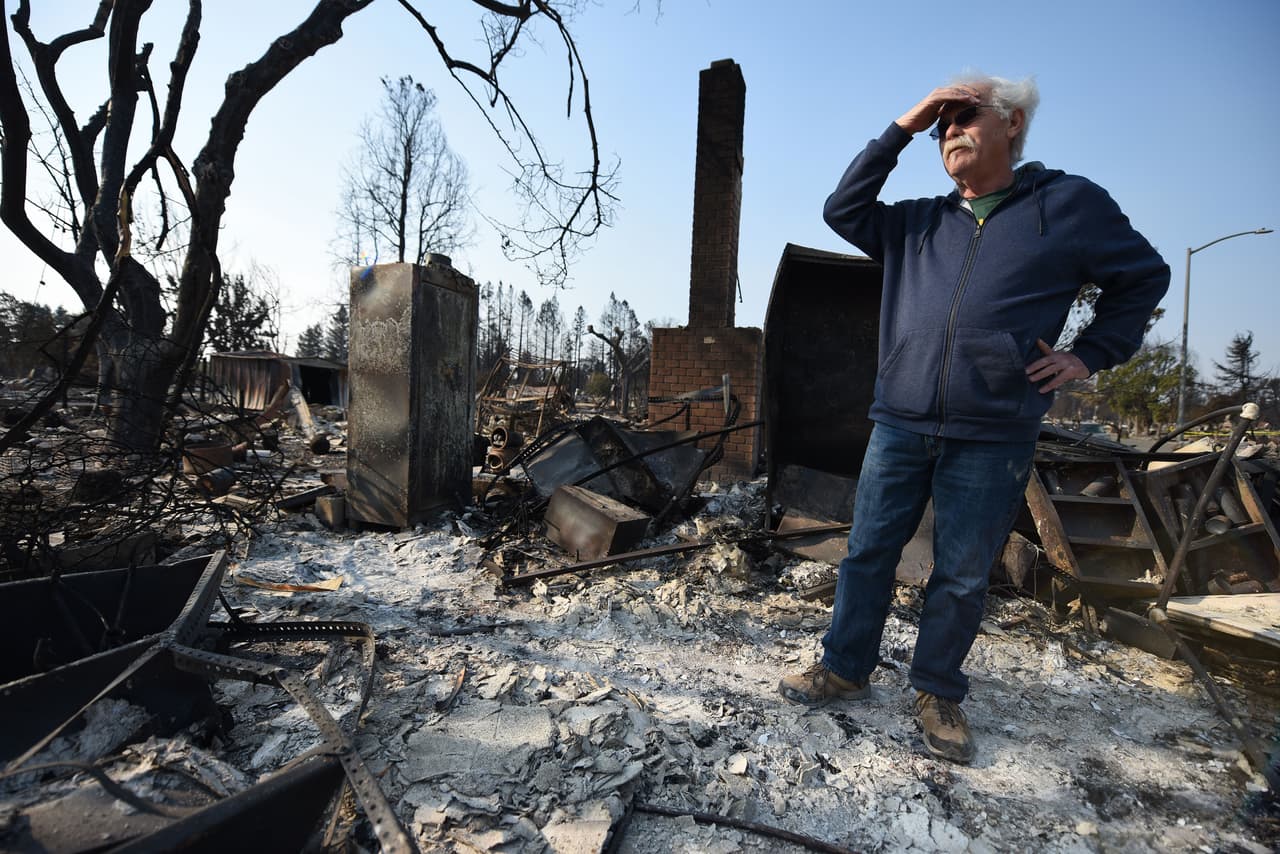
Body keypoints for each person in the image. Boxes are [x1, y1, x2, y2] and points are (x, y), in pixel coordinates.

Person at [778, 73, 1169, 764]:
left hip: (995, 431)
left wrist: (1090, 354)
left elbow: (1144, 277)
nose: (947, 132)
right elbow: (843, 208)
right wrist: (908, 119)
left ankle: (936, 690)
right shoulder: (917, 221)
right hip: (899, 420)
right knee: (867, 553)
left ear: (1013, 123)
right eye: (940, 125)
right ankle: (843, 667)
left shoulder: (1069, 206)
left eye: (963, 117)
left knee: (960, 573)